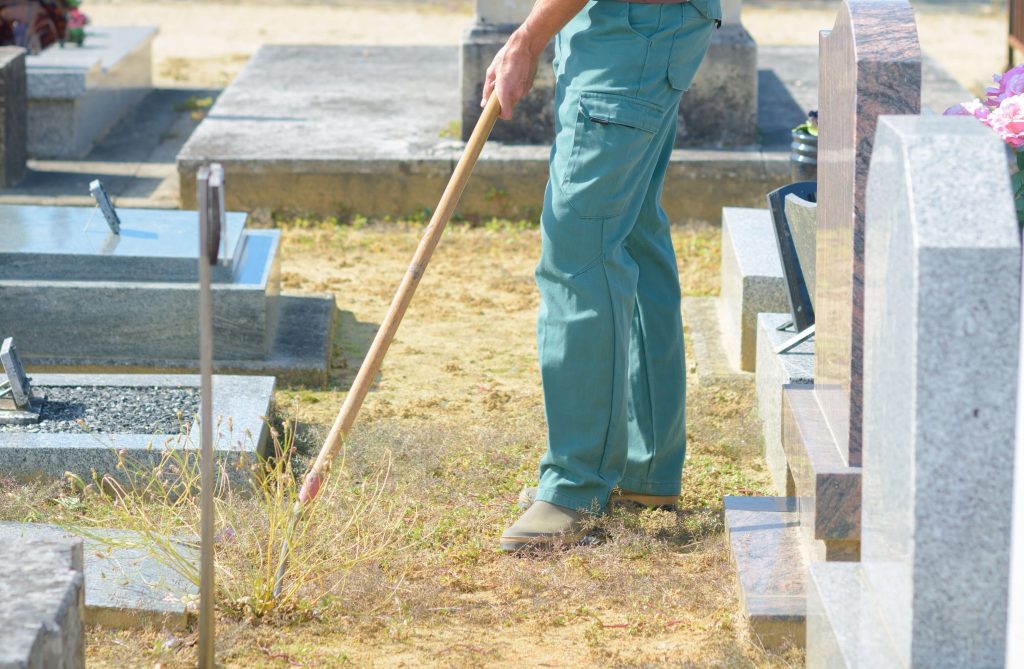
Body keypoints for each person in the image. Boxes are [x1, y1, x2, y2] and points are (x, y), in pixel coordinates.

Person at [484, 0, 721, 551]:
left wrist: (527, 38)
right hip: (634, 28)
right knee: (633, 234)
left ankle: (575, 489)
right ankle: (646, 470)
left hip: (629, 30)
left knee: (580, 251)